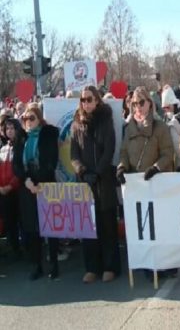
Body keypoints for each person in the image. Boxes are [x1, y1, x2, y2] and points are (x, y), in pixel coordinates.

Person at [116, 87, 174, 280]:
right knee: (142, 225)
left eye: (142, 102)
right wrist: (122, 167)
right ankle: (148, 264)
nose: (138, 107)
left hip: (156, 181)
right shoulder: (129, 127)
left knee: (160, 224)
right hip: (136, 184)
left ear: (150, 103)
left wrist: (156, 168)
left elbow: (168, 153)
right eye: (134, 104)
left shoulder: (160, 127)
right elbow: (124, 151)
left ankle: (165, 263)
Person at [70, 86, 120, 283]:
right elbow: (73, 154)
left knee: (107, 223)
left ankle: (110, 266)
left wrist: (97, 172)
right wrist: (83, 171)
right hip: (85, 181)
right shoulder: (76, 125)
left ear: (97, 100)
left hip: (103, 179)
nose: (86, 103)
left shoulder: (106, 120)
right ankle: (92, 266)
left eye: (89, 99)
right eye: (83, 100)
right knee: (88, 226)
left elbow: (110, 149)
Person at [12, 103, 60, 280]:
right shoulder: (21, 138)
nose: (28, 121)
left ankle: (54, 263)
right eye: (25, 118)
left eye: (32, 118)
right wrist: (27, 180)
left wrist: (39, 181)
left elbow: (51, 160)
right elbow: (16, 163)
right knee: (32, 228)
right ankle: (36, 264)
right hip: (28, 186)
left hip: (45, 183)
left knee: (51, 226)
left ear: (39, 119)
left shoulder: (47, 135)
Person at [0, 118, 25, 259]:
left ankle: (25, 248)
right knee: (9, 222)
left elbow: (20, 170)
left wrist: (10, 186)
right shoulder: (3, 148)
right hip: (4, 192)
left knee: (21, 220)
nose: (9, 131)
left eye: (12, 128)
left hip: (17, 191)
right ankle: (14, 248)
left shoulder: (21, 145)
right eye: (6, 128)